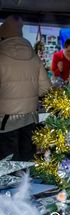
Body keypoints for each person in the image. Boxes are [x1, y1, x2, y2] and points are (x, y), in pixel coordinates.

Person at [0, 15, 51, 161]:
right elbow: (46, 90)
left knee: (7, 169)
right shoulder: (34, 57)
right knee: (25, 166)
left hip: (5, 122)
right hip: (30, 120)